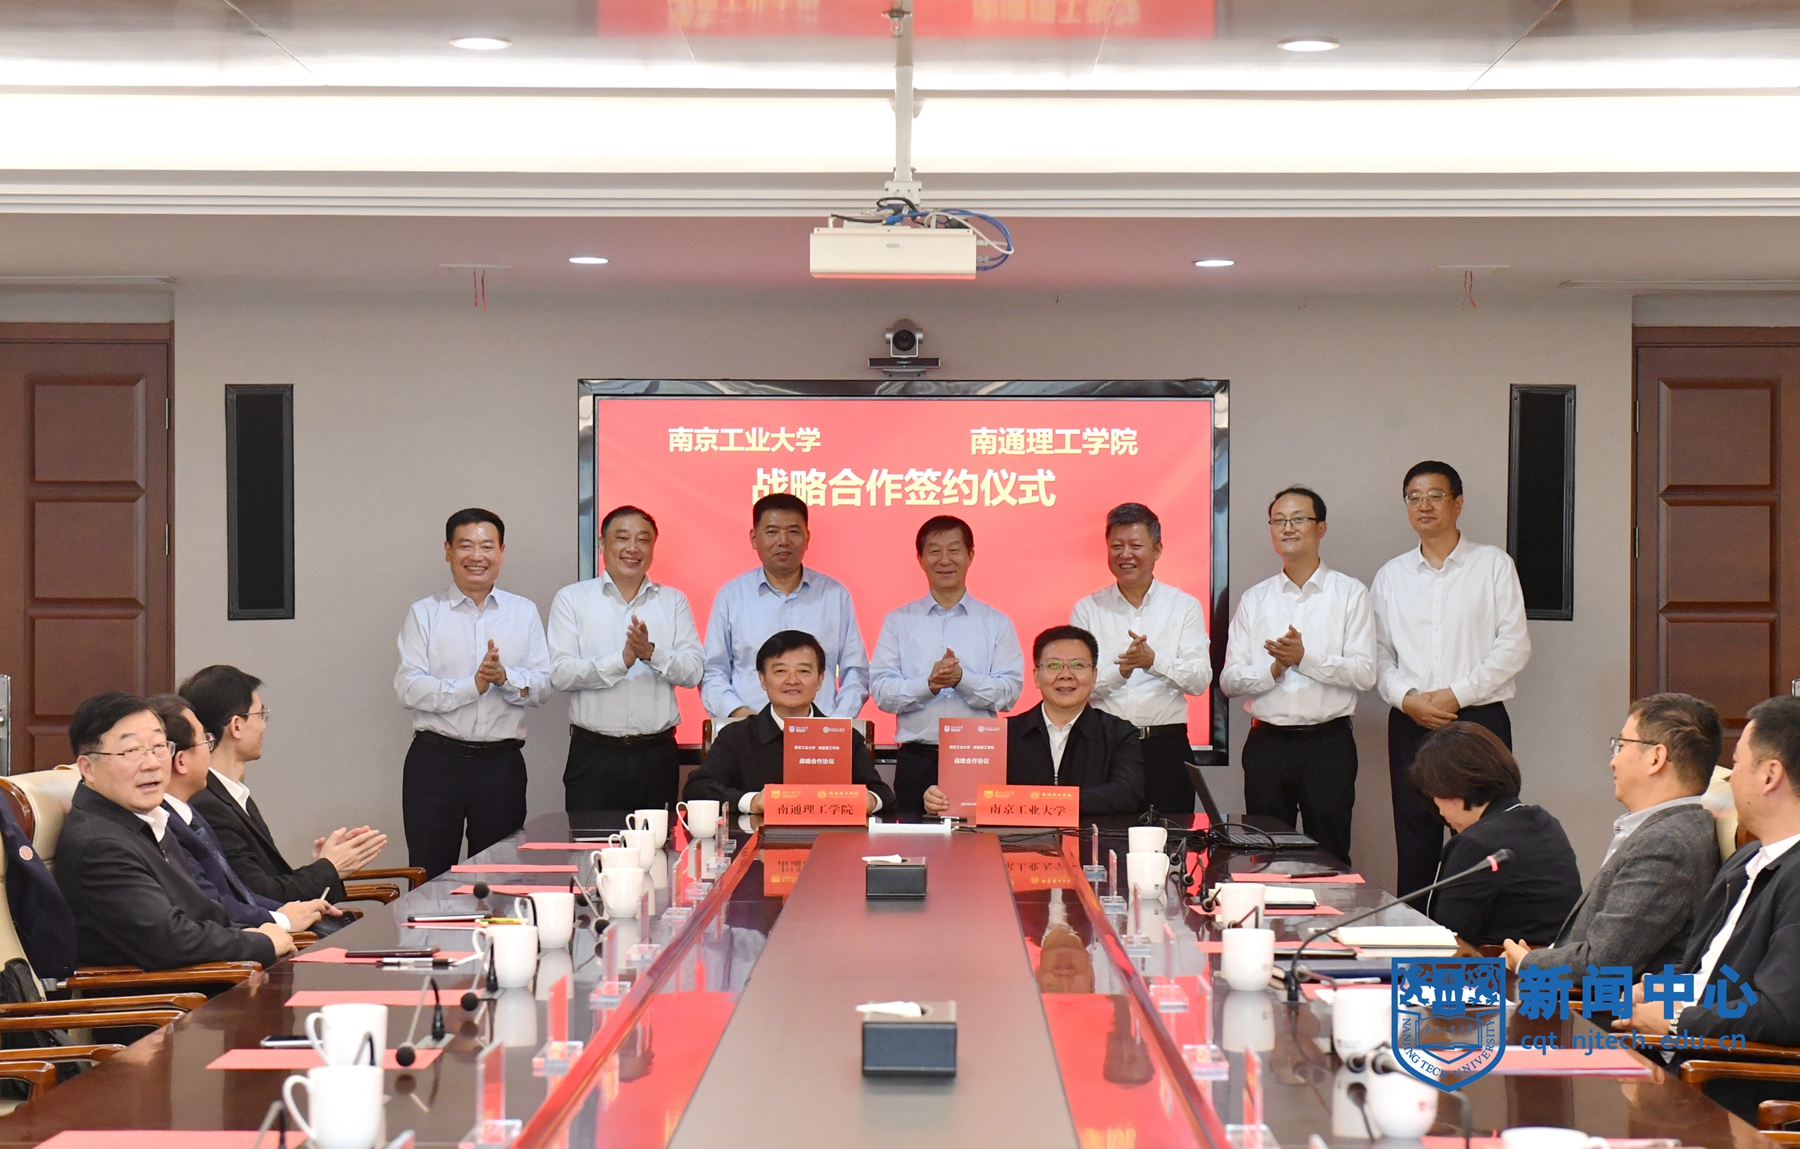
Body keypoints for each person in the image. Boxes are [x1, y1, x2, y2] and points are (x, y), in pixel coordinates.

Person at [1615, 696, 1800, 1121]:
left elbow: (1780, 1013)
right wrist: (1660, 992)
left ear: (1770, 775)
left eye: (1737, 764)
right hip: (1675, 1063)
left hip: (1726, 1090)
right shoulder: (1745, 860)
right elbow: (1707, 974)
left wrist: (1677, 1022)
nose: (1730, 777)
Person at [1372, 461, 1531, 895]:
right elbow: (1378, 655)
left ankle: (1480, 933)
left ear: (1457, 504)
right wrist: (1408, 699)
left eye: (1435, 496)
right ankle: (1415, 933)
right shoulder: (1391, 576)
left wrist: (1455, 695)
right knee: (1415, 841)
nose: (1423, 505)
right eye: (1414, 497)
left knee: (1484, 839)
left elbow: (1514, 647)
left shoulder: (1493, 565)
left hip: (1478, 720)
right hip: (1411, 722)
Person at [56, 692, 292, 970]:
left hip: (211, 977)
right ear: (88, 768)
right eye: (131, 751)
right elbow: (170, 940)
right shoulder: (100, 845)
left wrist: (260, 932)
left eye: (159, 747)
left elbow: (202, 911)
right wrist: (261, 943)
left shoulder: (145, 819)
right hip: (169, 994)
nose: (152, 763)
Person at [1509, 694, 1721, 981]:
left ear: (1656, 758)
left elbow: (1602, 964)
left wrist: (1527, 962)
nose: (1613, 762)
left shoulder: (1667, 843)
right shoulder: (1668, 829)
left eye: (1621, 745)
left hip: (1604, 1006)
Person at [1221, 486, 1375, 864]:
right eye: (1279, 521)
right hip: (1267, 745)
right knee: (1265, 856)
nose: (1287, 528)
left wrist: (1304, 659)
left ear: (1321, 528)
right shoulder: (1255, 599)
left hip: (1328, 745)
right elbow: (1229, 681)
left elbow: (1364, 673)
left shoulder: (1350, 594)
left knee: (1330, 855)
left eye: (1298, 519)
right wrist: (1274, 669)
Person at [395, 508, 552, 877]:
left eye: (487, 546)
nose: (477, 556)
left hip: (500, 766)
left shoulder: (523, 612)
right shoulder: (424, 613)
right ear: (448, 551)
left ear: (501, 552)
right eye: (466, 546)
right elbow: (408, 687)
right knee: (430, 875)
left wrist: (504, 679)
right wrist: (473, 686)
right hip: (435, 763)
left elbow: (544, 686)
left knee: (498, 879)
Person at [183, 665, 386, 902]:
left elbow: (271, 883)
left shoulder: (232, 795)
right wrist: (329, 867)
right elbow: (258, 896)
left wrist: (323, 866)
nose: (264, 726)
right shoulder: (209, 805)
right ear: (236, 726)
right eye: (261, 715)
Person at [549, 505, 704, 813]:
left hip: (657, 755)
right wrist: (621, 661)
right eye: (622, 538)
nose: (633, 548)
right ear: (602, 544)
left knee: (658, 841)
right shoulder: (572, 599)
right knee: (589, 841)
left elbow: (693, 672)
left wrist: (651, 654)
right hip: (594, 755)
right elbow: (560, 674)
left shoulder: (673, 601)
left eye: (643, 540)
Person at [146, 694, 341, 936]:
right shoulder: (165, 825)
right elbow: (211, 904)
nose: (210, 749)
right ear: (182, 761)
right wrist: (282, 919)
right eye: (206, 741)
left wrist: (287, 911)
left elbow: (237, 892)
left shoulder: (189, 813)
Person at [870, 515, 1024, 815]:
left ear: (970, 556)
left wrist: (962, 680)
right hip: (916, 760)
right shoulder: (898, 621)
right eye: (934, 551)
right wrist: (928, 685)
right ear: (920, 558)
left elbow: (1009, 693)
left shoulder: (996, 623)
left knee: (978, 842)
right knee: (912, 841)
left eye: (954, 550)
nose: (945, 560)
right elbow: (881, 692)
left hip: (978, 757)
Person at [1070, 503, 1214, 820]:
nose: (1126, 555)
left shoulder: (1184, 606)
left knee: (1171, 838)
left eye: (1135, 545)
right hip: (1104, 746)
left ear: (1157, 549)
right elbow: (1078, 685)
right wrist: (1121, 671)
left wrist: (1153, 661)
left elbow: (1200, 680)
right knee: (1099, 837)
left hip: (1165, 748)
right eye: (1116, 546)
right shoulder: (1088, 609)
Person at [682, 630, 894, 814]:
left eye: (803, 671)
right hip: (755, 842)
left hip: (828, 842)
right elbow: (697, 789)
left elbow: (883, 795)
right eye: (780, 671)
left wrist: (870, 800)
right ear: (763, 679)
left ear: (820, 679)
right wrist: (753, 802)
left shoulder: (844, 737)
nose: (792, 680)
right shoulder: (736, 737)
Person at [1410, 722, 1580, 947]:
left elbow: (1450, 943)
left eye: (1434, 795)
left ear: (1451, 788)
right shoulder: (1545, 823)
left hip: (1501, 966)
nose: (1438, 810)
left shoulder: (1474, 844)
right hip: (1557, 963)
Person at [702, 493, 868, 720]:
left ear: (807, 537)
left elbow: (856, 672)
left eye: (793, 531)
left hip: (820, 729)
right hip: (750, 730)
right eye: (772, 532)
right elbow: (713, 670)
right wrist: (740, 716)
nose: (783, 541)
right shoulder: (732, 596)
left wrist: (835, 722)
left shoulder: (834, 595)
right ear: (754, 538)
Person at [997, 625, 1145, 818]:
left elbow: (1127, 793)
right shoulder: (1005, 734)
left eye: (1077, 665)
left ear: (1094, 676)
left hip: (1092, 836)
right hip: (1020, 837)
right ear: (1036, 677)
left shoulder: (1119, 734)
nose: (1066, 675)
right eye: (1053, 665)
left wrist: (1051, 803)